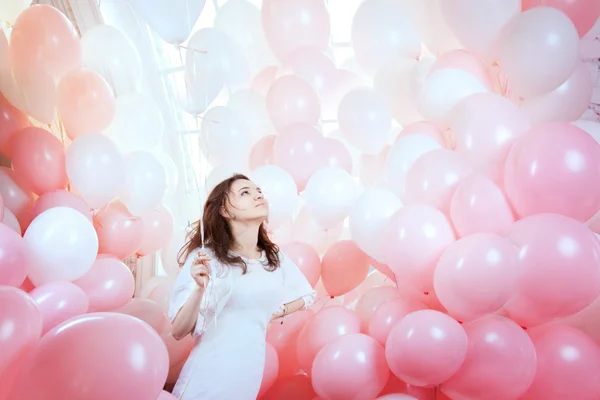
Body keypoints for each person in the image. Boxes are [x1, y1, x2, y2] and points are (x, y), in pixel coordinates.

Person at [168, 173, 316, 400]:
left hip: (248, 376)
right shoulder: (207, 258)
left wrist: (278, 310)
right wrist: (199, 289)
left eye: (258, 190)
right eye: (245, 192)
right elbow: (178, 331)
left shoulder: (273, 259)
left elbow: (307, 295)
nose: (258, 195)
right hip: (209, 377)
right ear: (225, 211)